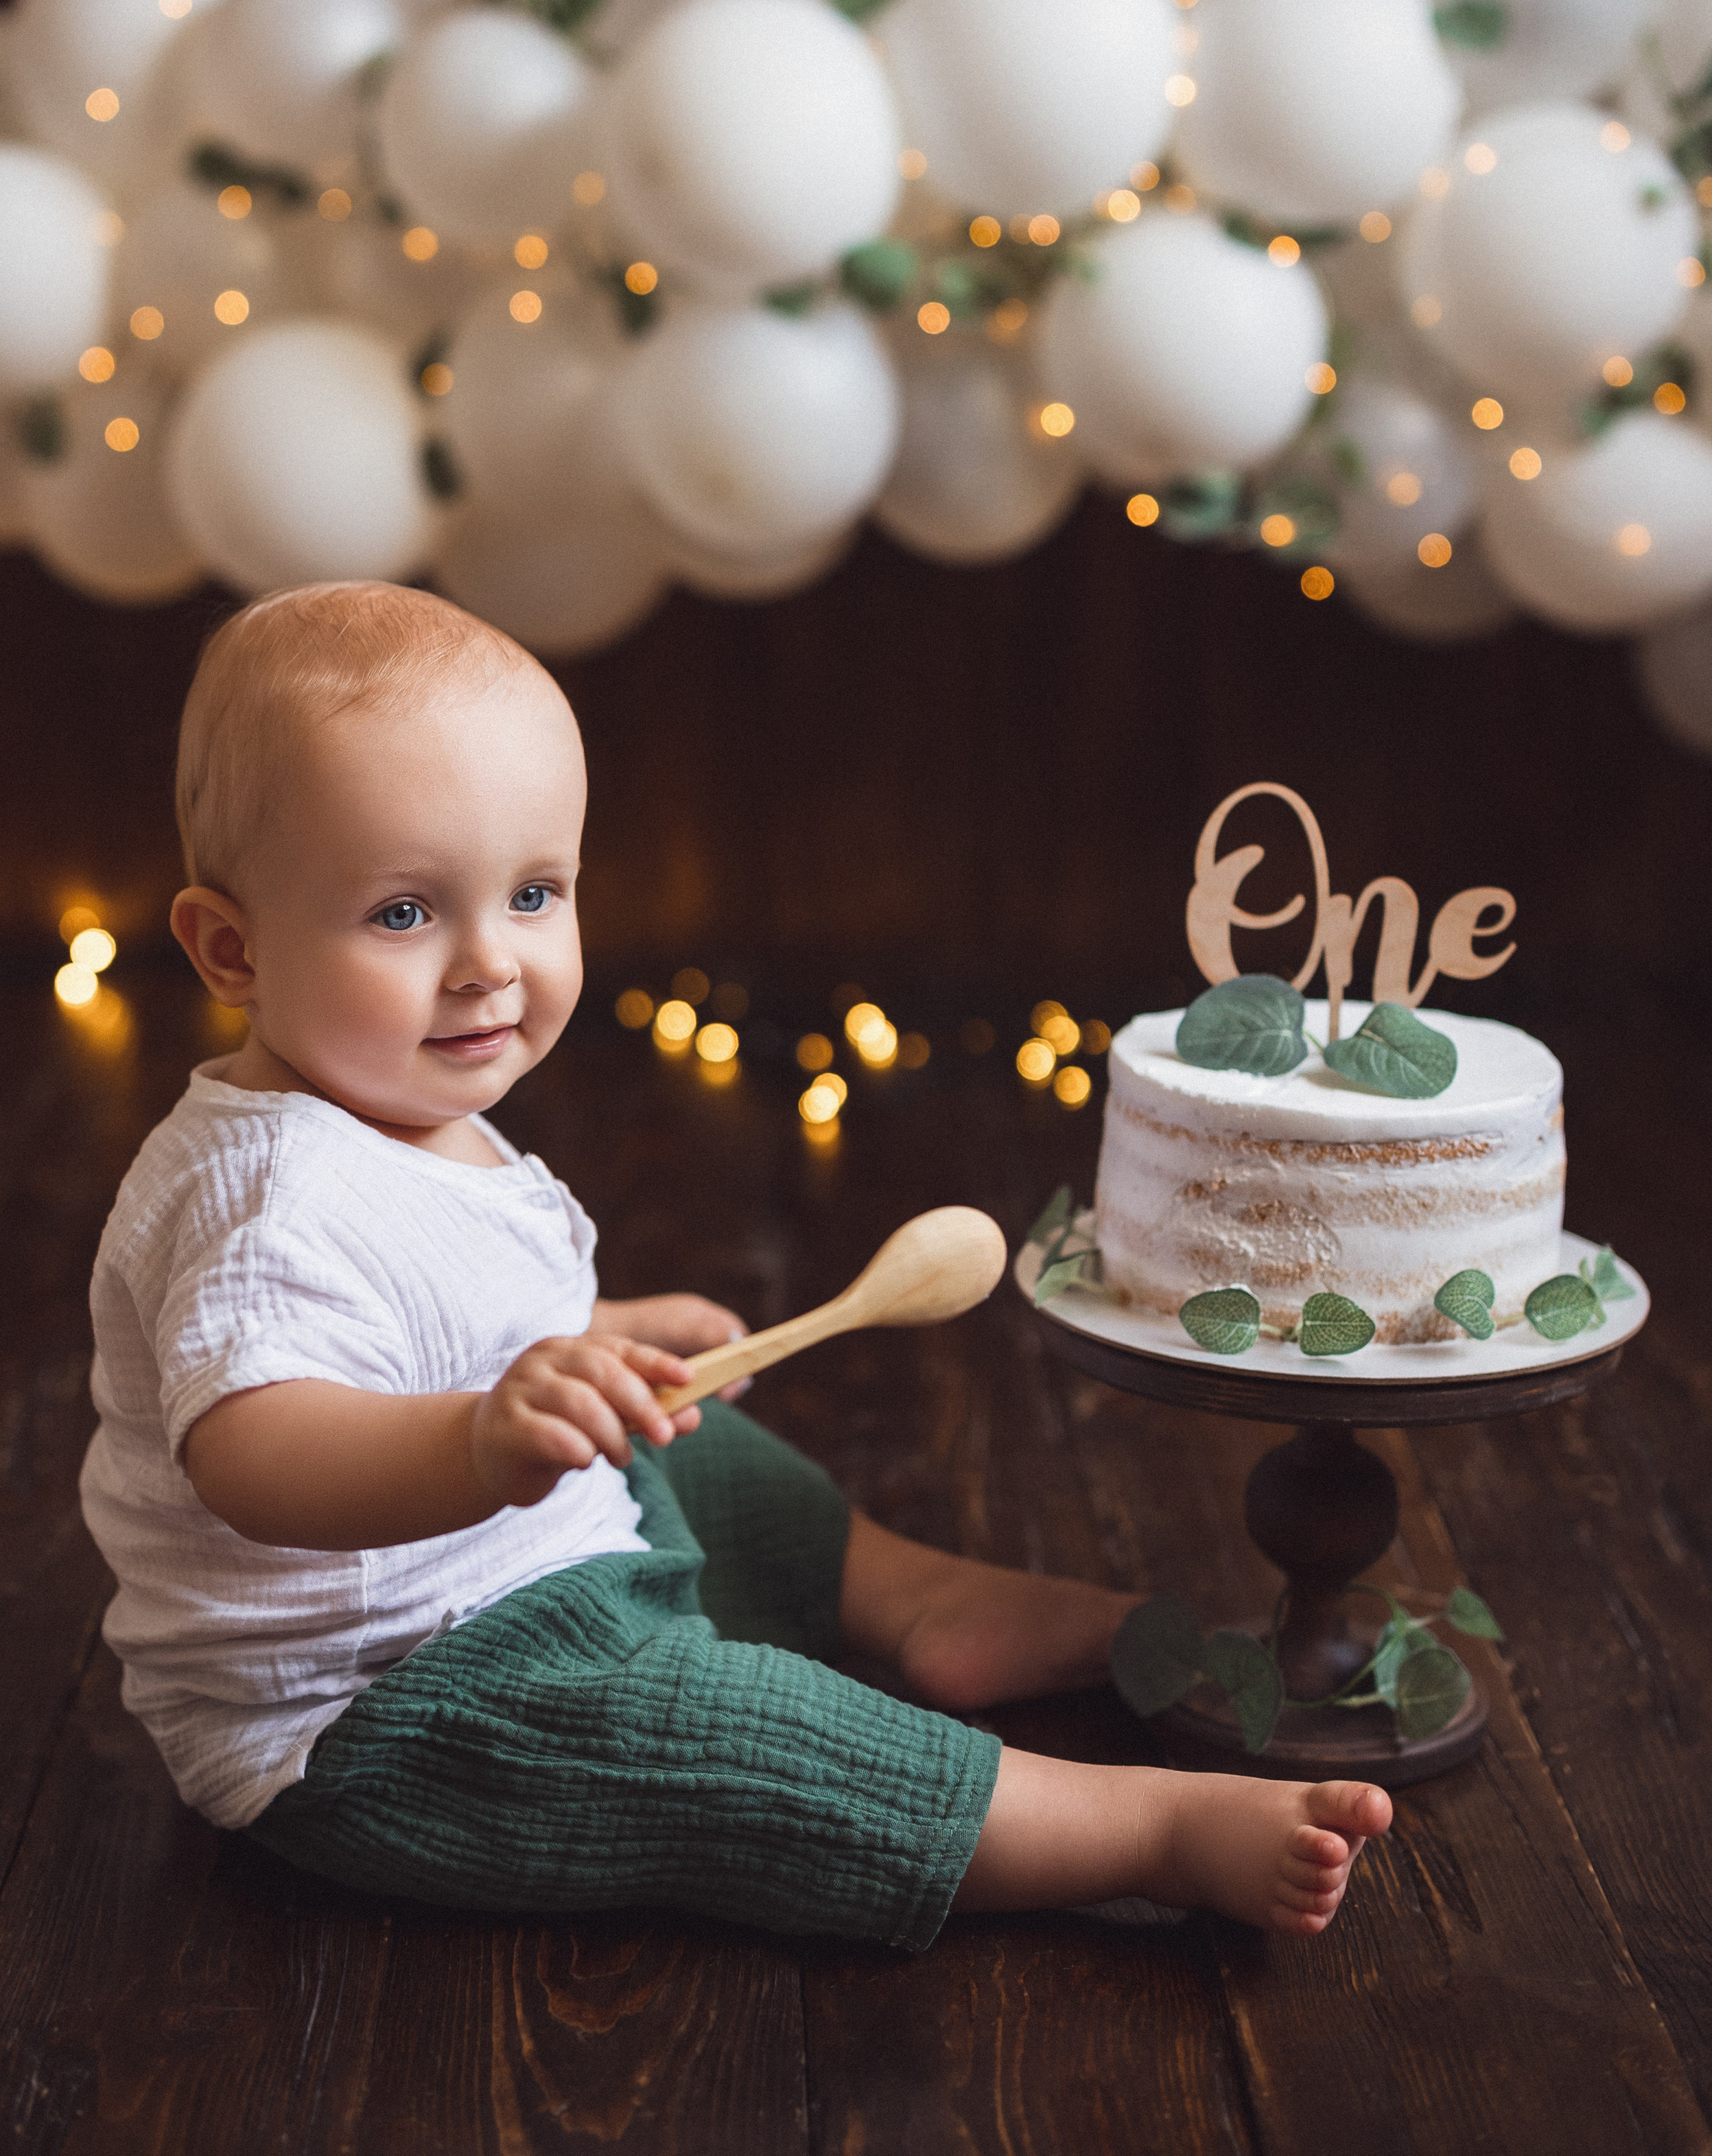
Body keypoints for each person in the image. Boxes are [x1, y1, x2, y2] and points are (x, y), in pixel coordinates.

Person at [79, 581, 1390, 1952]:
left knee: (696, 1445)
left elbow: (425, 1315)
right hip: (390, 1700)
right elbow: (253, 1453)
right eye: (404, 913)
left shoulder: (390, 1090)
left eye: (532, 894)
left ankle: (914, 1598)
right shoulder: (268, 1198)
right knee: (729, 1738)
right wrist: (480, 1438)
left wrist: (595, 1336)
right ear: (231, 948)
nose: (489, 965)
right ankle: (1140, 1832)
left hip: (508, 1549)